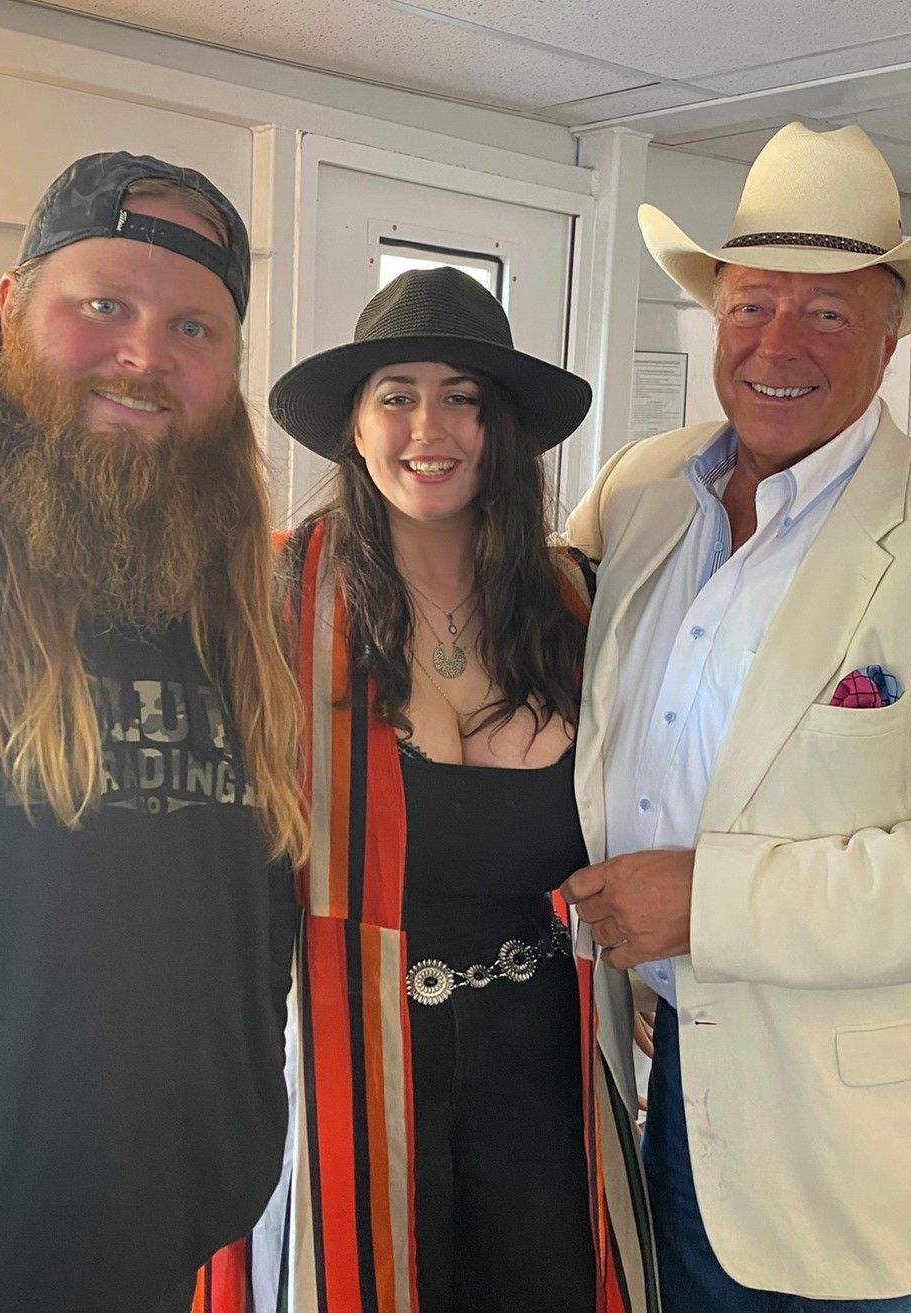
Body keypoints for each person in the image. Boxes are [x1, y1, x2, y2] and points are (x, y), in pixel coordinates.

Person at [562, 122, 911, 1312]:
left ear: (892, 333)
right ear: (715, 317)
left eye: (828, 312)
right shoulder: (642, 491)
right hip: (668, 1089)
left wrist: (710, 901)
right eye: (751, 304)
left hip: (878, 1159)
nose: (777, 343)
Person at [0, 152, 305, 1313]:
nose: (144, 354)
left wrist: (230, 1141)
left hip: (155, 1238)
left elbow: (230, 892)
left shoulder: (213, 574)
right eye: (105, 305)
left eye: (192, 327)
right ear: (10, 308)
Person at [208, 267, 657, 1313]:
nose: (430, 426)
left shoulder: (579, 603)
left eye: (463, 397)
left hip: (546, 1054)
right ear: (355, 428)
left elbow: (651, 795)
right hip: (339, 1056)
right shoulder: (273, 598)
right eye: (396, 395)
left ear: (503, 429)